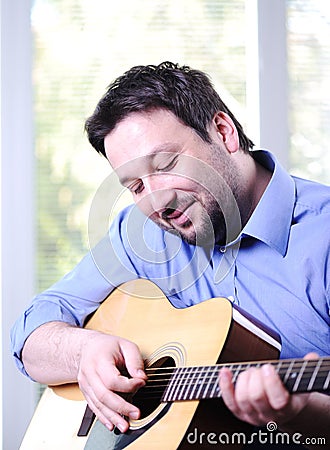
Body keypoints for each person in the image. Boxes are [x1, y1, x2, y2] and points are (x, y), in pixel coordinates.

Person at [11, 62, 329, 448]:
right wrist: (83, 352)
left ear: (223, 132)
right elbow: (30, 335)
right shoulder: (139, 234)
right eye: (136, 185)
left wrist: (298, 415)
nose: (157, 200)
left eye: (164, 164)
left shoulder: (322, 238)